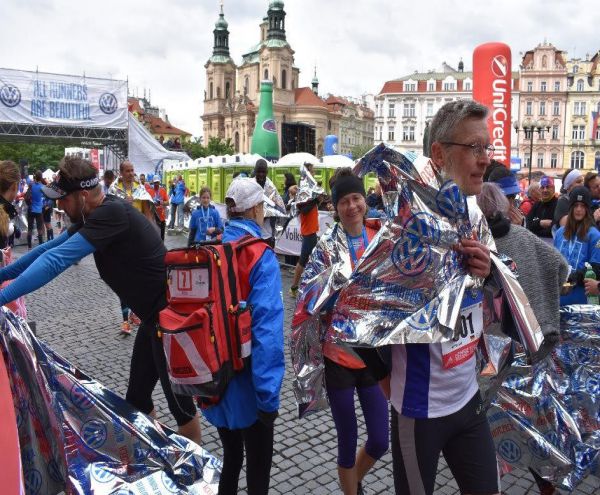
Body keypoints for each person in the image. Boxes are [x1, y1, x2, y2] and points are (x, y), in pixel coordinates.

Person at [0, 156, 202, 444]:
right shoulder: (94, 215)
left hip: (168, 319)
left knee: (181, 408)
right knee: (137, 401)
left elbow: (56, 261)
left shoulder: (111, 214)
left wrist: (3, 296)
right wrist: (3, 276)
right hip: (153, 318)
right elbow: (46, 251)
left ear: (82, 196)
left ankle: (196, 479)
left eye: (63, 199)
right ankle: (159, 458)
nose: (58, 206)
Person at [387, 100, 499, 495]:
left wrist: (488, 274)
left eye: (488, 147)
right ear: (440, 154)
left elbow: (490, 302)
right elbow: (366, 317)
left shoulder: (475, 214)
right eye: (475, 147)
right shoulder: (404, 227)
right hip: (421, 410)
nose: (485, 159)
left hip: (468, 400)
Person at [298, 169, 389, 495]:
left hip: (373, 354)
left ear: (364, 200)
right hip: (338, 355)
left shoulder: (380, 238)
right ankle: (351, 489)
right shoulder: (325, 247)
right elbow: (308, 298)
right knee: (347, 439)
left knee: (380, 438)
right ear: (335, 207)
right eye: (344, 201)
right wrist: (336, 290)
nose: (351, 206)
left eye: (356, 198)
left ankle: (354, 480)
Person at [477, 182, 567, 495]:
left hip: (490, 348)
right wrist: (543, 303)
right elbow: (560, 266)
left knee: (490, 418)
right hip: (530, 343)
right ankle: (543, 477)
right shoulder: (524, 237)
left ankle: (497, 482)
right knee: (525, 415)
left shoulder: (476, 244)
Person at [203, 177, 284, 495]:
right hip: (250, 385)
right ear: (255, 210)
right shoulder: (260, 255)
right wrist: (268, 397)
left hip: (216, 380)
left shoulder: (213, 250)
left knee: (232, 457)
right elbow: (267, 331)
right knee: (258, 470)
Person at [553, 186, 600, 306]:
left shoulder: (594, 235)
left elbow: (596, 267)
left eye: (582, 206)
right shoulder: (559, 233)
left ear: (587, 209)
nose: (578, 209)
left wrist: (576, 277)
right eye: (575, 205)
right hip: (559, 299)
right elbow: (553, 261)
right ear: (570, 208)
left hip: (581, 300)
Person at [290, 163, 324, 297]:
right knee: (304, 260)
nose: (314, 174)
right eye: (313, 172)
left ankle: (310, 286)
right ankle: (294, 287)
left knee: (313, 260)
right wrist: (316, 200)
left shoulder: (309, 191)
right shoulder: (303, 192)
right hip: (308, 231)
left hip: (311, 230)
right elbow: (303, 209)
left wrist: (319, 199)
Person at [527, 175, 558, 241]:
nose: (545, 190)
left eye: (548, 187)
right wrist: (541, 223)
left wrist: (536, 227)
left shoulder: (558, 205)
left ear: (553, 188)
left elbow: (556, 228)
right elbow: (528, 225)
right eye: (542, 187)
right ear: (539, 189)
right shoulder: (537, 205)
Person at [26, 171, 45, 249]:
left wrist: (26, 168)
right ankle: (40, 245)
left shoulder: (31, 184)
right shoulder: (42, 187)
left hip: (30, 209)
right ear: (41, 177)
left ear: (34, 177)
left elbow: (26, 177)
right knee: (39, 228)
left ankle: (29, 246)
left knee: (29, 228)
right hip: (39, 210)